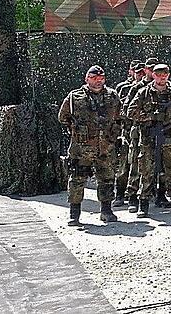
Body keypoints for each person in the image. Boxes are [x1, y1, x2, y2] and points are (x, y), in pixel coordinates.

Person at [58, 65, 122, 226]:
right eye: (94, 78)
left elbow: (120, 117)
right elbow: (63, 116)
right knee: (77, 179)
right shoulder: (75, 96)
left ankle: (106, 211)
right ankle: (74, 214)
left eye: (101, 78)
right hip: (81, 148)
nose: (98, 81)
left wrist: (114, 133)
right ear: (87, 79)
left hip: (106, 147)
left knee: (107, 178)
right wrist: (75, 130)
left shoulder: (112, 95)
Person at [126, 63, 171, 216]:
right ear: (153, 75)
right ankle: (144, 203)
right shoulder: (144, 93)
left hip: (170, 138)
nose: (162, 77)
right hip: (149, 138)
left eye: (164, 74)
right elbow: (130, 112)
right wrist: (151, 117)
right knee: (147, 171)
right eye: (158, 74)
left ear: (168, 75)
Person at [122, 57, 158, 213]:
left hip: (158, 131)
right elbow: (127, 110)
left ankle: (157, 194)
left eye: (154, 69)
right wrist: (148, 116)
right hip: (139, 131)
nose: (151, 71)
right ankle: (132, 197)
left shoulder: (161, 88)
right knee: (136, 164)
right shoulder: (138, 88)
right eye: (149, 69)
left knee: (157, 164)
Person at [113, 60, 143, 207]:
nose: (140, 75)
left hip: (141, 131)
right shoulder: (124, 88)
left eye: (142, 72)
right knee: (124, 164)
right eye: (137, 72)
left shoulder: (147, 88)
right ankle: (119, 193)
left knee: (139, 164)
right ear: (131, 72)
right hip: (126, 131)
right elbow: (118, 110)